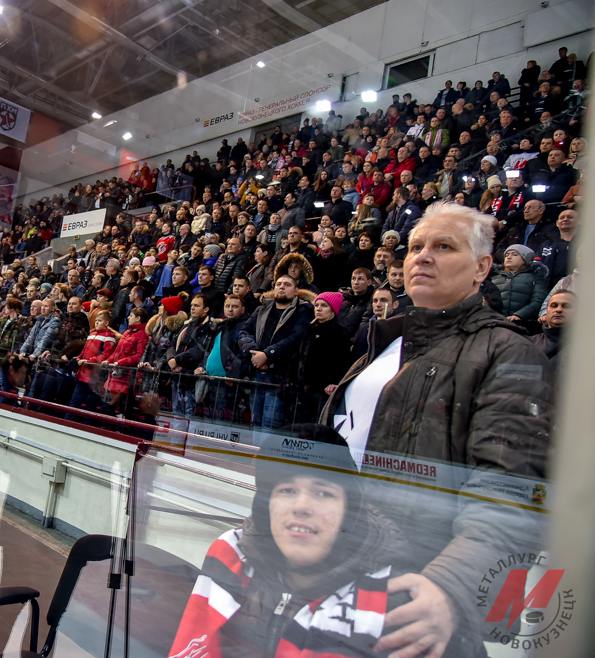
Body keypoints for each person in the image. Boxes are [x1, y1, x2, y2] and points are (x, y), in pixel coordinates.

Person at [321, 202, 553, 658]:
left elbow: (508, 491)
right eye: (414, 247)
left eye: (443, 246)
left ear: (483, 267)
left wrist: (450, 586)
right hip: (351, 570)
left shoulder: (509, 353)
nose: (421, 257)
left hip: (423, 594)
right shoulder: (385, 343)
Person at [169, 428, 415, 658]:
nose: (301, 507)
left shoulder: (389, 599)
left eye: (323, 493)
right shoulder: (231, 553)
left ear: (349, 509)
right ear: (266, 504)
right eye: (287, 490)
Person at [237, 275, 313, 433]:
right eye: (278, 284)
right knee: (255, 423)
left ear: (296, 290)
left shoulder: (303, 311)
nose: (282, 287)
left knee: (270, 427)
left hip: (280, 378)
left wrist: (267, 355)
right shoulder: (261, 309)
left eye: (287, 284)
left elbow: (295, 338)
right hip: (257, 374)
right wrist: (255, 354)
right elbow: (244, 332)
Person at [283, 292, 351, 424]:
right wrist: (290, 380)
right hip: (301, 392)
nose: (318, 308)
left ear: (333, 309)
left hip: (322, 394)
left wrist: (333, 382)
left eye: (324, 306)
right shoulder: (310, 330)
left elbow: (343, 362)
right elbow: (298, 357)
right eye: (316, 305)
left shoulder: (340, 332)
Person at [169, 294, 214, 417]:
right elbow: (172, 344)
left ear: (206, 309)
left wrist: (177, 360)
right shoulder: (187, 324)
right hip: (177, 374)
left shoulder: (209, 328)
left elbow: (199, 350)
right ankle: (176, 437)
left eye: (197, 306)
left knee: (190, 414)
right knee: (176, 414)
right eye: (192, 305)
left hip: (192, 375)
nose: (192, 308)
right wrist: (171, 360)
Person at [531, 289, 573, 372]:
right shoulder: (528, 343)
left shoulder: (588, 348)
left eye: (566, 306)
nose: (558, 310)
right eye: (554, 305)